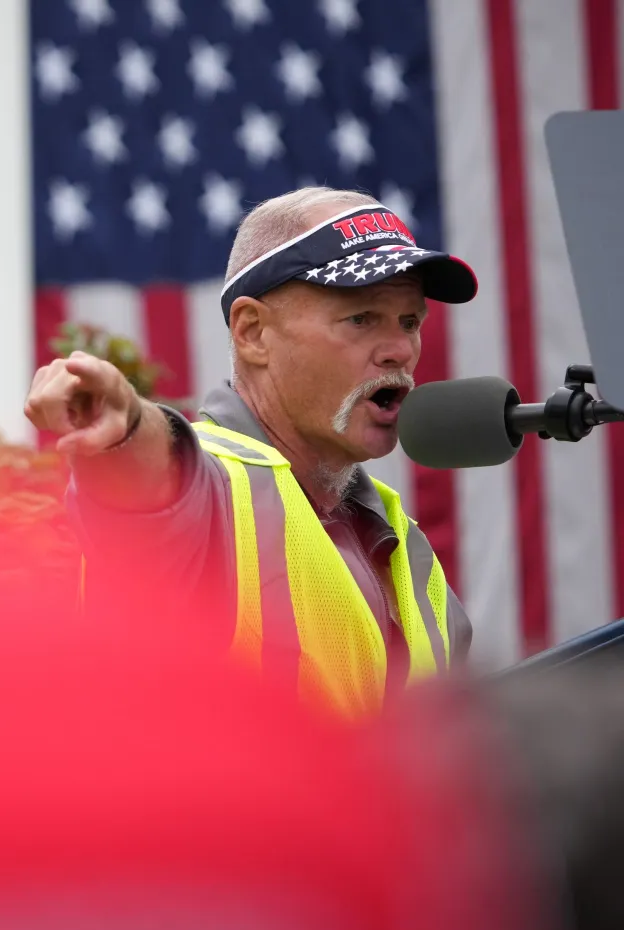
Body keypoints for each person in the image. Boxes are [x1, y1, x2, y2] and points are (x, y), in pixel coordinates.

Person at [26, 187, 476, 717]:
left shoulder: (406, 546)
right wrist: (124, 424)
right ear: (252, 332)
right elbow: (157, 480)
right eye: (361, 318)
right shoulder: (213, 493)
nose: (399, 349)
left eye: (409, 321)